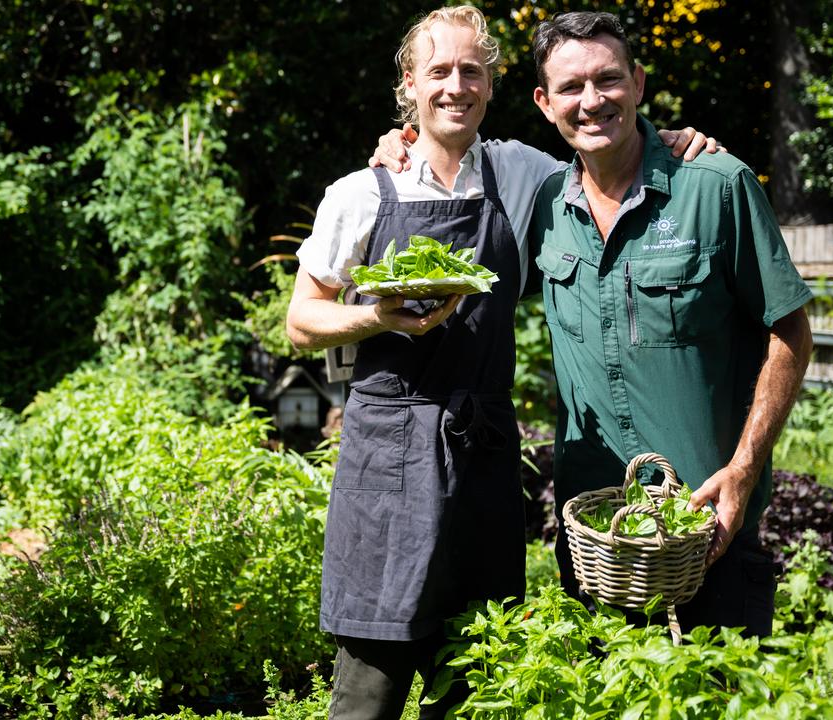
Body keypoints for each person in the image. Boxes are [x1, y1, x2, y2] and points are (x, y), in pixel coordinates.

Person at [286, 7, 718, 719]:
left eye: (471, 71)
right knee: (372, 684)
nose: (455, 86)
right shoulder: (361, 192)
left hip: (482, 457)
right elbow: (302, 322)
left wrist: (664, 141)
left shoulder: (524, 174)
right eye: (438, 72)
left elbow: (606, 160)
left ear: (491, 85)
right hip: (387, 461)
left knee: (477, 678)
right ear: (409, 85)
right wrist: (377, 316)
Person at [526, 11, 813, 636]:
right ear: (545, 103)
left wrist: (742, 471)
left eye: (609, 80)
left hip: (707, 531)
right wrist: (404, 141)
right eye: (572, 88)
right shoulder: (545, 206)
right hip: (594, 538)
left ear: (640, 82)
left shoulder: (715, 186)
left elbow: (791, 332)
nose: (592, 101)